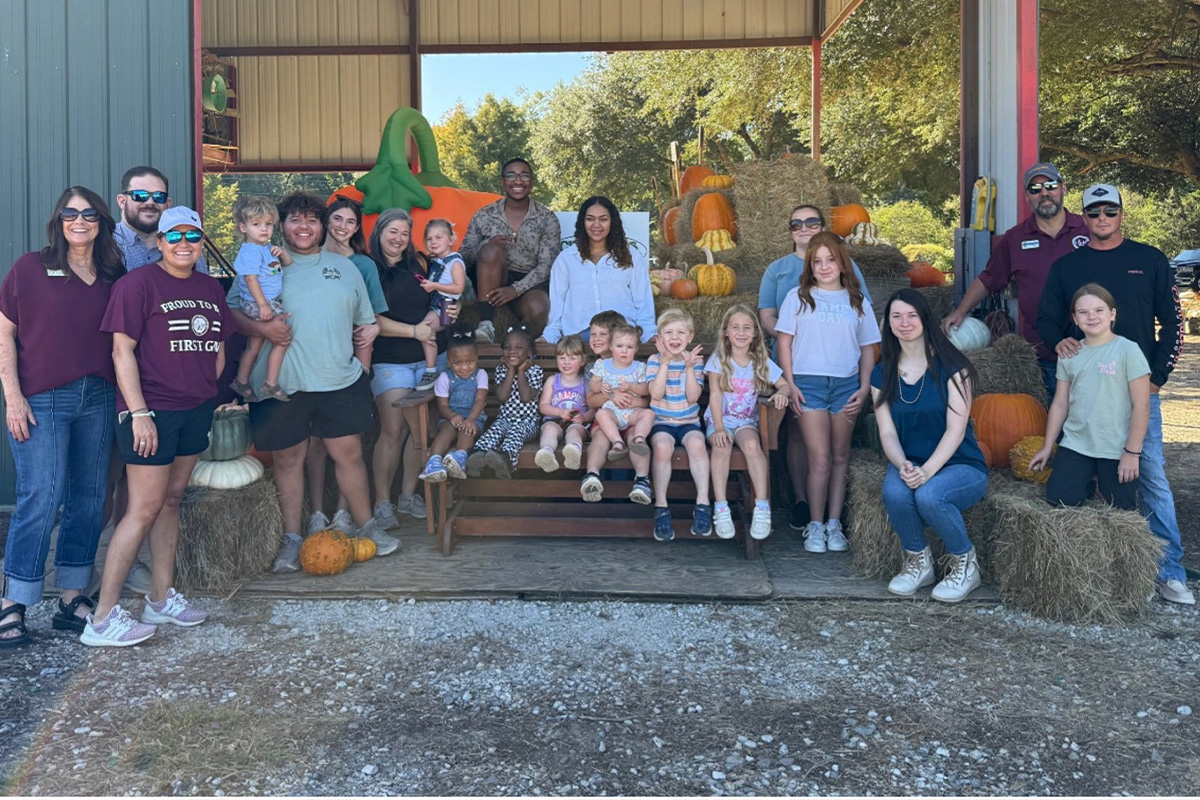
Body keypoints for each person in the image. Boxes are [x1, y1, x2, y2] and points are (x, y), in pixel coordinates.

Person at [83, 207, 234, 646]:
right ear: (160, 242)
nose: (183, 244)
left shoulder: (209, 287)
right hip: (152, 410)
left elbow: (218, 346)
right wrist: (139, 412)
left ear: (201, 241)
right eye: (174, 236)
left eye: (192, 236)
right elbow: (121, 352)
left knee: (171, 499)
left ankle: (160, 597)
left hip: (195, 408)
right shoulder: (138, 284)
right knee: (143, 508)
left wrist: (208, 390)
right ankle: (104, 618)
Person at [1036, 184, 1193, 605]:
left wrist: (1158, 375)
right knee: (1085, 477)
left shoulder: (1150, 260)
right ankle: (1092, 569)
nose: (1102, 218)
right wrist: (1059, 342)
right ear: (1083, 218)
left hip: (1139, 389)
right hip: (1088, 391)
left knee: (1152, 474)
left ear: (1122, 214)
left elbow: (1173, 324)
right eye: (1094, 212)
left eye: (1110, 211)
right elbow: (1047, 318)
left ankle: (1168, 569)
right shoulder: (1068, 267)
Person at [231, 192, 394, 572]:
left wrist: (364, 371)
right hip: (281, 384)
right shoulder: (261, 262)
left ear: (322, 227)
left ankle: (368, 529)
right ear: (280, 225)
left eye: (312, 220)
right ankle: (292, 540)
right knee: (288, 460)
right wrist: (262, 327)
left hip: (338, 379)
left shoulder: (347, 268)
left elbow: (365, 323)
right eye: (295, 220)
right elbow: (234, 314)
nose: (304, 227)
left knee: (350, 456)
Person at [0, 188, 124, 648]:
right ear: (58, 220)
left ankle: (72, 597)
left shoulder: (113, 273)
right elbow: (4, 334)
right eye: (70, 213)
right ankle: (14, 600)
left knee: (90, 496)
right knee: (42, 494)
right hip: (43, 398)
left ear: (101, 221)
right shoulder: (30, 268)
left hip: (99, 395)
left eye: (88, 214)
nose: (79, 221)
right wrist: (13, 396)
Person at [758, 204, 872, 532]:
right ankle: (804, 506)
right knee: (802, 441)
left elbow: (864, 335)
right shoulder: (783, 278)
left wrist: (863, 385)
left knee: (835, 453)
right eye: (796, 224)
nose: (803, 228)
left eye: (811, 222)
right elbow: (768, 316)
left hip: (841, 376)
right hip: (798, 369)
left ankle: (829, 520)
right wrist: (795, 335)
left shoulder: (851, 289)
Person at [871, 288, 989, 602]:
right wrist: (902, 464)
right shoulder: (881, 373)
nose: (904, 322)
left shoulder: (954, 368)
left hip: (959, 464)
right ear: (888, 324)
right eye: (896, 316)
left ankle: (965, 563)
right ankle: (919, 563)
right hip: (910, 459)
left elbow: (955, 429)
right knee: (895, 490)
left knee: (929, 495)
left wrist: (927, 471)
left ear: (926, 320)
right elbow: (887, 432)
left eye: (912, 315)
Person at [942, 162, 1089, 400]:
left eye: (1050, 185)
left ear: (1063, 188)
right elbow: (989, 279)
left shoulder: (1086, 230)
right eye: (1035, 189)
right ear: (1027, 197)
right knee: (1049, 426)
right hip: (1042, 355)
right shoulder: (1015, 238)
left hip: (1090, 350)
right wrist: (961, 311)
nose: (1044, 193)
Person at [775, 232, 880, 555]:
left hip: (846, 385)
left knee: (839, 457)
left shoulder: (856, 299)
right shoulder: (798, 297)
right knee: (818, 458)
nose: (824, 266)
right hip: (809, 385)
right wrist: (790, 383)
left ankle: (835, 524)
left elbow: (868, 348)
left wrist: (864, 387)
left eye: (830, 260)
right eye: (817, 261)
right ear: (809, 265)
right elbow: (784, 343)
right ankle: (816, 524)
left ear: (842, 262)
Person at [305, 195, 389, 535]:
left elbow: (374, 317)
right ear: (326, 222)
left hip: (349, 364)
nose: (343, 227)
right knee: (315, 443)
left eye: (350, 222)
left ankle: (343, 512)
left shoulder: (363, 265)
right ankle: (316, 512)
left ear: (357, 229)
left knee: (346, 443)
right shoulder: (303, 258)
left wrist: (364, 366)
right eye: (337, 219)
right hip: (308, 365)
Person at [1029, 284, 1149, 510]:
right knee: (1060, 500)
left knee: (1122, 507)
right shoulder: (1069, 353)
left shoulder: (1128, 351)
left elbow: (1141, 406)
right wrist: (1047, 446)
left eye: (1099, 310)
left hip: (1115, 446)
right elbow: (1060, 403)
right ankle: (1086, 484)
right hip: (1077, 443)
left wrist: (1132, 453)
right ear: (1074, 318)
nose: (1091, 317)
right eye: (1083, 312)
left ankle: (1101, 480)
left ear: (1112, 314)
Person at [367, 208, 446, 529]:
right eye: (392, 232)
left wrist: (436, 319)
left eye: (404, 233)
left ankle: (407, 495)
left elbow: (440, 303)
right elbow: (370, 318)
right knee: (393, 429)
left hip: (428, 359)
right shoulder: (369, 268)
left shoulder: (420, 265)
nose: (398, 239)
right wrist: (414, 332)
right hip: (390, 360)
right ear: (380, 232)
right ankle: (382, 502)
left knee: (421, 431)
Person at [705, 304, 790, 542]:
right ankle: (721, 508)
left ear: (754, 333)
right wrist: (719, 427)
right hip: (719, 420)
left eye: (747, 328)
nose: (741, 333)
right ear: (726, 332)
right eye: (735, 327)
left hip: (745, 422)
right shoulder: (719, 361)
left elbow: (784, 384)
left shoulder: (759, 361)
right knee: (721, 446)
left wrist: (781, 393)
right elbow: (715, 394)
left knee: (753, 446)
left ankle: (762, 507)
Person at [460, 158, 560, 341]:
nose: (518, 181)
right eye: (511, 175)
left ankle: (518, 343)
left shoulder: (547, 218)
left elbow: (546, 266)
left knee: (539, 308)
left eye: (524, 176)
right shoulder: (484, 215)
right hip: (492, 276)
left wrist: (516, 289)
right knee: (491, 250)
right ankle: (486, 325)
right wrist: (487, 244)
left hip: (529, 281)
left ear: (532, 182)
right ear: (502, 181)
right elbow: (463, 257)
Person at [542, 196, 657, 344]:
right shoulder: (566, 259)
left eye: (603, 219)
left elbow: (643, 301)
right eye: (590, 219)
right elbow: (557, 306)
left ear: (612, 222)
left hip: (622, 336)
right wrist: (549, 336)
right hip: (578, 338)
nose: (596, 225)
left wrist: (648, 334)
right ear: (583, 222)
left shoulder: (632, 256)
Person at [647, 309, 711, 542]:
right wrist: (665, 363)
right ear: (660, 338)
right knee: (662, 447)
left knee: (697, 444)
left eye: (680, 332)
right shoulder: (654, 361)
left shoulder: (694, 362)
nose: (674, 337)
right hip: (662, 422)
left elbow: (693, 397)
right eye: (668, 332)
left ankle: (703, 503)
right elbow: (656, 392)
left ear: (690, 336)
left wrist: (690, 368)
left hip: (688, 421)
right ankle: (661, 506)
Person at [580, 321, 654, 505]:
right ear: (611, 347)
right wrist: (603, 388)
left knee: (647, 417)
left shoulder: (639, 367)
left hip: (632, 415)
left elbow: (646, 390)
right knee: (601, 417)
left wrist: (632, 388)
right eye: (620, 346)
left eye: (629, 347)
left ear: (636, 349)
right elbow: (594, 386)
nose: (624, 351)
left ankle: (642, 479)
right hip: (610, 415)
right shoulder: (602, 365)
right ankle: (593, 475)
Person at [229, 196, 292, 403]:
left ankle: (241, 380)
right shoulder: (251, 251)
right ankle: (271, 382)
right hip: (259, 303)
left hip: (264, 301)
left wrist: (282, 253)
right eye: (256, 224)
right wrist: (263, 305)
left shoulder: (265, 248)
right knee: (282, 339)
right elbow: (250, 278)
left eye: (268, 224)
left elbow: (288, 263)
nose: (263, 229)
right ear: (244, 227)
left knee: (254, 346)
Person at [465, 324, 544, 480]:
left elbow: (526, 397)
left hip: (528, 423)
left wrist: (520, 371)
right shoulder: (502, 370)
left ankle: (505, 460)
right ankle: (477, 457)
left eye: (519, 347)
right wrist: (510, 371)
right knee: (493, 432)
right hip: (504, 420)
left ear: (529, 352)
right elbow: (501, 397)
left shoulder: (535, 371)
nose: (512, 351)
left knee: (516, 434)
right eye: (507, 347)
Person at [418, 326, 488, 483]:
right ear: (449, 361)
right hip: (451, 417)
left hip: (474, 417)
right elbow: (442, 406)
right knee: (446, 430)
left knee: (467, 431)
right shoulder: (444, 377)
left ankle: (459, 458)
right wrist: (453, 416)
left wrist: (470, 419)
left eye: (469, 362)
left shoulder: (480, 375)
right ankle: (434, 462)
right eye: (457, 363)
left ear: (477, 358)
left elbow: (480, 400)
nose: (464, 368)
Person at [114, 166, 209, 274]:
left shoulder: (185, 245)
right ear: (122, 201)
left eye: (159, 196)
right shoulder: (105, 243)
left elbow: (203, 287)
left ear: (168, 204)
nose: (150, 202)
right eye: (140, 195)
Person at [414, 219, 467, 391]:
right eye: (429, 239)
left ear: (451, 239)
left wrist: (434, 286)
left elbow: (459, 288)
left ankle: (431, 370)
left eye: (438, 237)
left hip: (442, 303)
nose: (433, 242)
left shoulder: (455, 262)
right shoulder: (436, 260)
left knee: (426, 328)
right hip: (436, 300)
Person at [534, 335, 593, 472]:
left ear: (582, 360)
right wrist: (559, 412)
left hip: (578, 422)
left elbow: (593, 409)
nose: (566, 362)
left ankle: (573, 451)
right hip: (555, 420)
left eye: (572, 358)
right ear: (556, 360)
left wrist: (583, 418)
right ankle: (547, 453)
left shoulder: (586, 382)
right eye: (562, 358)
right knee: (549, 429)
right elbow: (543, 406)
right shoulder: (553, 381)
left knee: (574, 431)